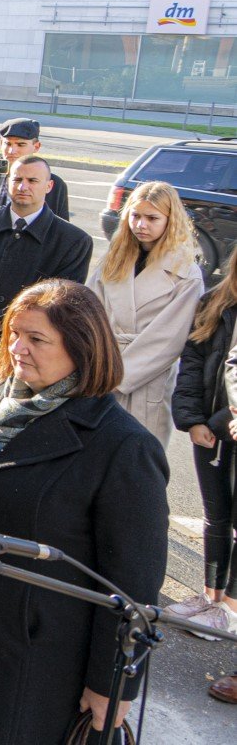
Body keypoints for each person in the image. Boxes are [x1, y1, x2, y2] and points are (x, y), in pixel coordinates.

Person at [0, 280, 169, 745]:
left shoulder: (123, 447)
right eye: (14, 333)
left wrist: (112, 687)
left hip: (33, 654)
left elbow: (133, 582)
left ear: (83, 348)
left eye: (37, 339)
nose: (18, 349)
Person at [0, 156, 93, 434]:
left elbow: (55, 299)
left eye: (32, 180)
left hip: (27, 361)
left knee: (7, 438)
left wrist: (1, 326)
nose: (23, 186)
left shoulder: (73, 241)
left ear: (48, 186)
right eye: (17, 179)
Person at [87, 181, 202, 449]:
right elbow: (89, 311)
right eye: (136, 216)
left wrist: (116, 376)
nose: (141, 224)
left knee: (136, 463)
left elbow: (168, 339)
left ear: (170, 220)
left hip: (145, 380)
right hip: (100, 366)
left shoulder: (186, 272)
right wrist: (93, 364)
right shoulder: (113, 258)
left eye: (152, 218)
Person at [169, 250, 237, 645]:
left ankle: (229, 610)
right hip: (211, 430)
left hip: (227, 422)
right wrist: (193, 420)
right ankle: (211, 597)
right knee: (216, 517)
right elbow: (192, 361)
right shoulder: (215, 300)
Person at [0, 117, 70, 220]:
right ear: (1, 143)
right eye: (8, 144)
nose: (12, 151)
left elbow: (63, 230)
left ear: (36, 146)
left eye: (20, 144)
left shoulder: (54, 184)